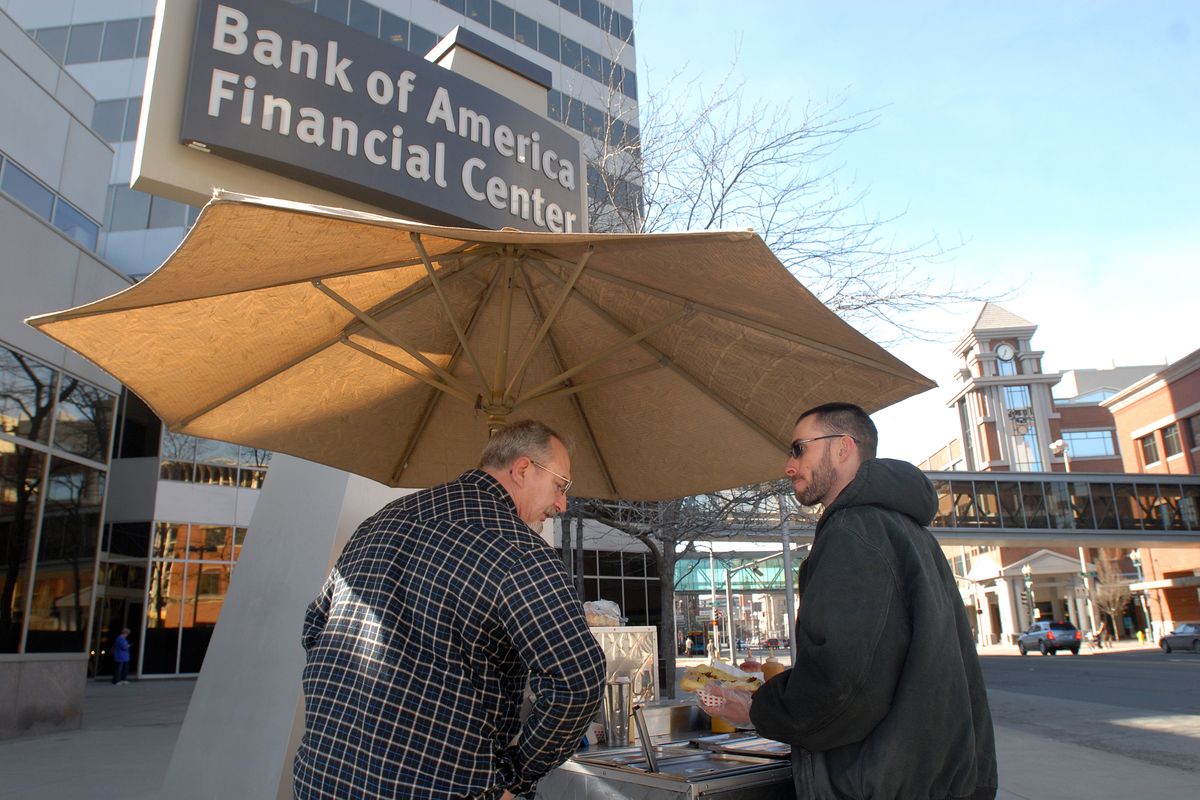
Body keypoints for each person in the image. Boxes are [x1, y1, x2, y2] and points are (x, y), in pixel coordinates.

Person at [293, 420, 606, 800]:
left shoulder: (381, 522)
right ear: (522, 470)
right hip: (440, 787)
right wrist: (517, 776)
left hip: (323, 776)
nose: (562, 504)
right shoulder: (520, 552)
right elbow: (579, 679)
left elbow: (314, 629)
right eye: (560, 486)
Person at [701, 402, 997, 799]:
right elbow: (881, 663)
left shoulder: (854, 532)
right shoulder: (904, 530)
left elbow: (843, 686)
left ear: (843, 447)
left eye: (799, 449)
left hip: (879, 783)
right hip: (930, 779)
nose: (789, 467)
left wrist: (756, 710)